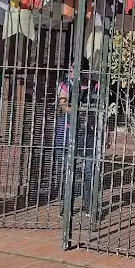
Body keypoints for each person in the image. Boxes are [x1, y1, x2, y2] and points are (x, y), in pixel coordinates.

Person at [53, 58, 100, 218]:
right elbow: (64, 105)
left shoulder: (95, 85)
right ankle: (67, 207)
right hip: (68, 132)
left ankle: (89, 206)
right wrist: (82, 109)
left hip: (89, 133)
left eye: (76, 68)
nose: (72, 71)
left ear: (84, 71)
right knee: (68, 171)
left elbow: (100, 107)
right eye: (72, 68)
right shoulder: (65, 85)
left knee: (89, 171)